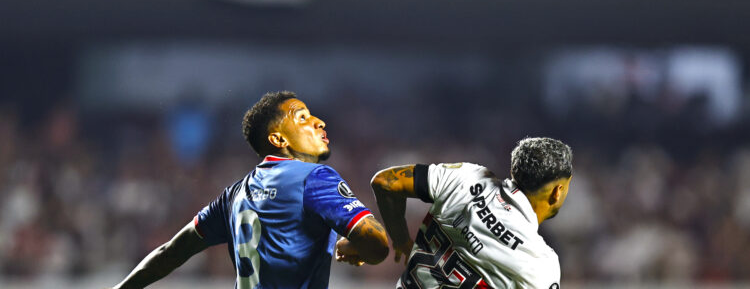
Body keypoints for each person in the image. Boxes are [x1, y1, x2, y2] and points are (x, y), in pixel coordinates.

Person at [112, 91, 389, 289]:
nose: (318, 123)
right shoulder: (315, 178)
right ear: (278, 138)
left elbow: (169, 254)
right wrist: (354, 246)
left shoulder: (233, 195)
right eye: (303, 118)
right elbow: (377, 244)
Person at [370, 137, 572, 289]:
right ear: (557, 192)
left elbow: (385, 182)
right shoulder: (540, 262)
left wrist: (400, 239)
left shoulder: (468, 178)